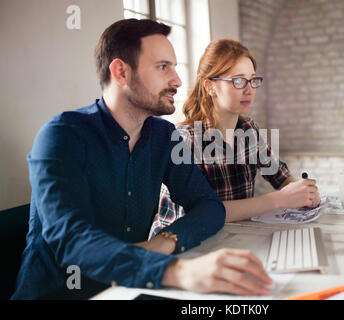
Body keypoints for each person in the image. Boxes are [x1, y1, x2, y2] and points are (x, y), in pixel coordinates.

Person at [11, 19, 272, 300]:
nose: (178, 80)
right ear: (121, 72)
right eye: (163, 67)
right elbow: (73, 242)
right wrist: (179, 272)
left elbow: (209, 206)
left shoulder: (164, 136)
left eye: (174, 66)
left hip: (130, 288)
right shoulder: (62, 136)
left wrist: (165, 241)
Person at [152, 39, 321, 236]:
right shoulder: (185, 140)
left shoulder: (249, 130)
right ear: (210, 87)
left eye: (253, 80)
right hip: (181, 246)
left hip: (230, 237)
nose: (249, 89)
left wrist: (302, 192)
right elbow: (202, 212)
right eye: (238, 81)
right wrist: (280, 199)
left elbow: (280, 177)